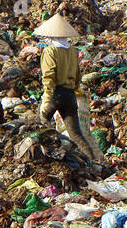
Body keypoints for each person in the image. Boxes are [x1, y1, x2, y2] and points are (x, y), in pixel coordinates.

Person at [36, 13, 97, 158]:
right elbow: (78, 75)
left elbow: (49, 75)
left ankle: (47, 155)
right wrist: (74, 89)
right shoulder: (72, 51)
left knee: (41, 123)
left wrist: (48, 96)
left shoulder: (50, 51)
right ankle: (94, 161)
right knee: (76, 133)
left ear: (51, 36)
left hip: (56, 93)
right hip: (70, 95)